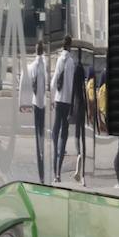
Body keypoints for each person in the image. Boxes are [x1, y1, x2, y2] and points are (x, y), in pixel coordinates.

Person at [17, 41, 48, 183]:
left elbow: (25, 78)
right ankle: (42, 150)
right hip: (44, 103)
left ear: (36, 51)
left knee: (38, 131)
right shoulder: (45, 64)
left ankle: (39, 154)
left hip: (36, 103)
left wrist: (22, 102)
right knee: (42, 129)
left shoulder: (33, 66)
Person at [50, 37, 76, 182]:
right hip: (67, 101)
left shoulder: (60, 59)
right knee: (64, 131)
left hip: (59, 99)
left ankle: (55, 167)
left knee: (56, 128)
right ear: (70, 46)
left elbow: (54, 79)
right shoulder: (71, 62)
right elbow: (71, 85)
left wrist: (53, 97)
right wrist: (72, 103)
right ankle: (59, 169)